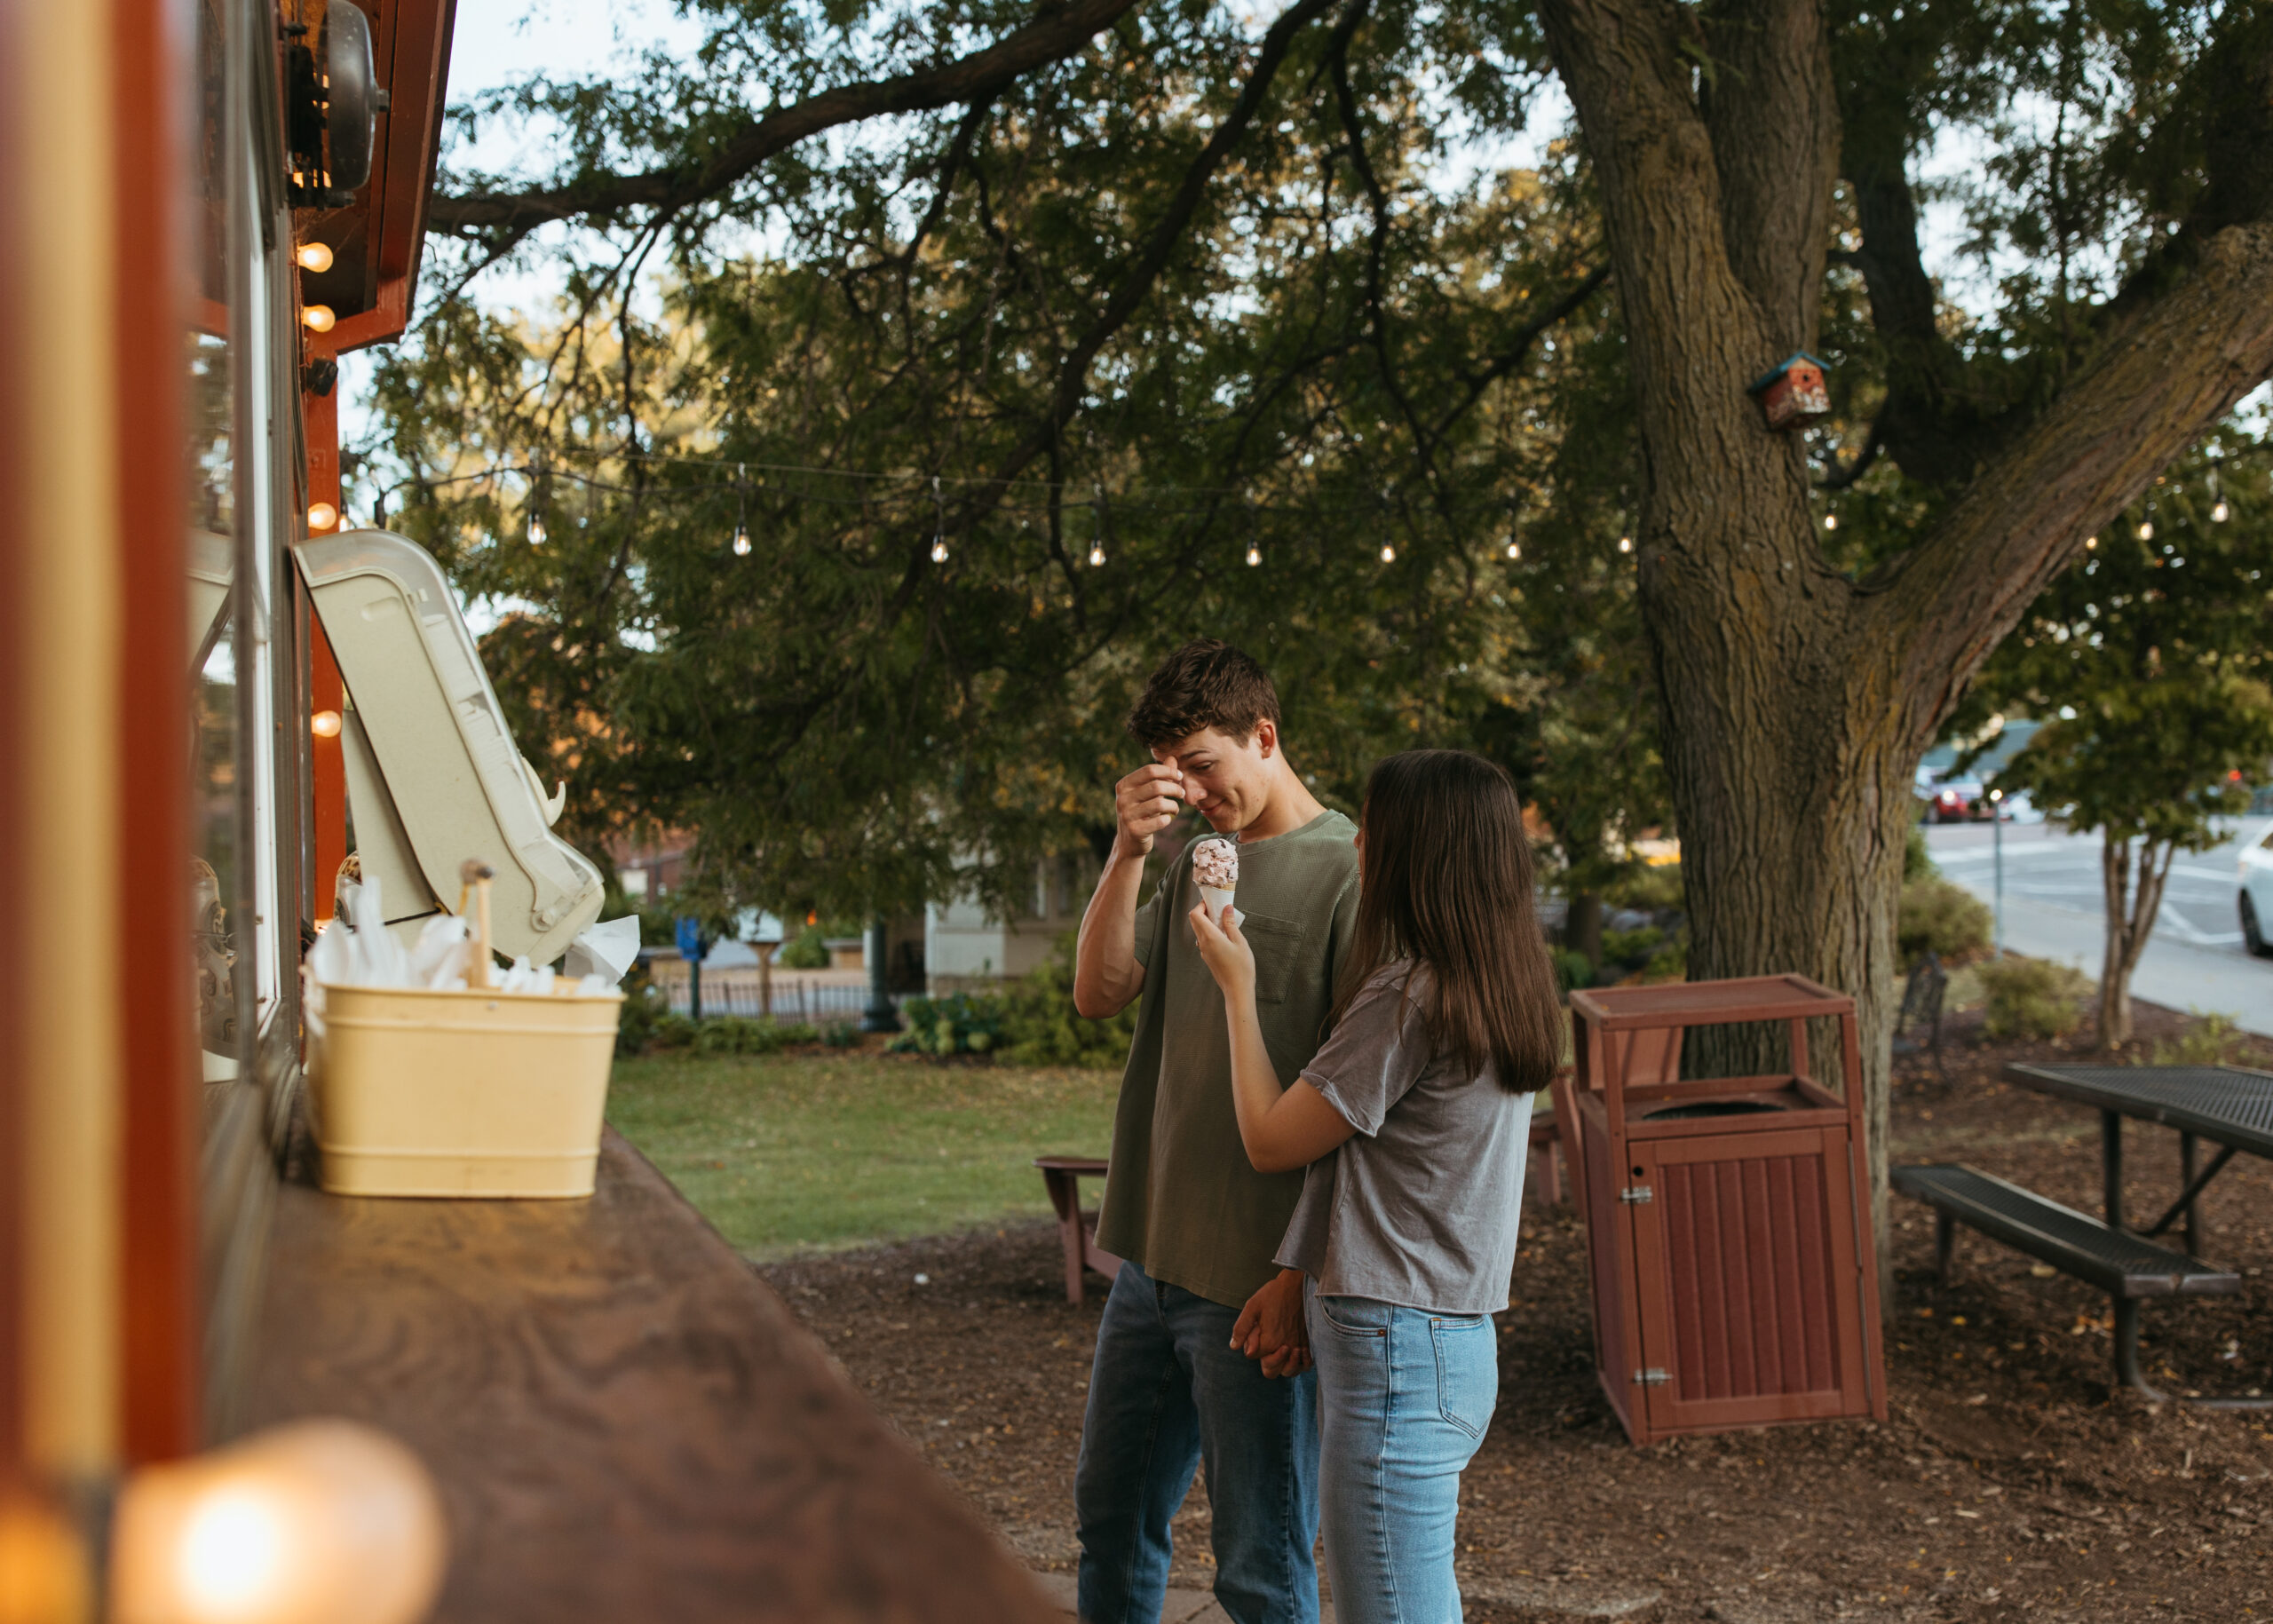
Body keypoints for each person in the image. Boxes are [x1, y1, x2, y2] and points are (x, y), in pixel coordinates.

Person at [1188, 749, 1564, 1624]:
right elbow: (1370, 1162)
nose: (1359, 849)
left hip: (1398, 1357)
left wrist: (1237, 991)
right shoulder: (1498, 988)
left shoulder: (1409, 995)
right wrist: (1293, 1276)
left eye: (1375, 832)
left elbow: (1273, 1140)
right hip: (1444, 1347)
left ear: (1415, 854)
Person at [1071, 639, 1361, 1624]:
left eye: (1203, 763)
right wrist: (1125, 852)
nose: (1192, 791)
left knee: (1259, 1567)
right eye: (1171, 771)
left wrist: (1300, 1270)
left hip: (1256, 1280)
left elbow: (1364, 1109)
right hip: (1150, 1258)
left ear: (1265, 735)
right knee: (1108, 1521)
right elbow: (1099, 992)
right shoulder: (1200, 859)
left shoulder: (1351, 873)